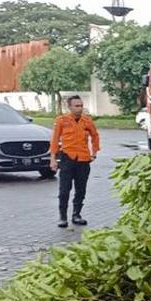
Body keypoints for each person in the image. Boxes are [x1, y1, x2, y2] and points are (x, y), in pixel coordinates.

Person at [49, 96, 100, 228]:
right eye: (76, 106)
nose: (79, 108)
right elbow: (55, 140)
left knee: (81, 189)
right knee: (64, 189)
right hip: (67, 158)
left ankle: (76, 214)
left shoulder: (87, 121)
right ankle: (63, 217)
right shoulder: (62, 120)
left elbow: (95, 136)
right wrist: (53, 159)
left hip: (83, 159)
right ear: (70, 107)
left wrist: (94, 152)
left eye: (81, 105)